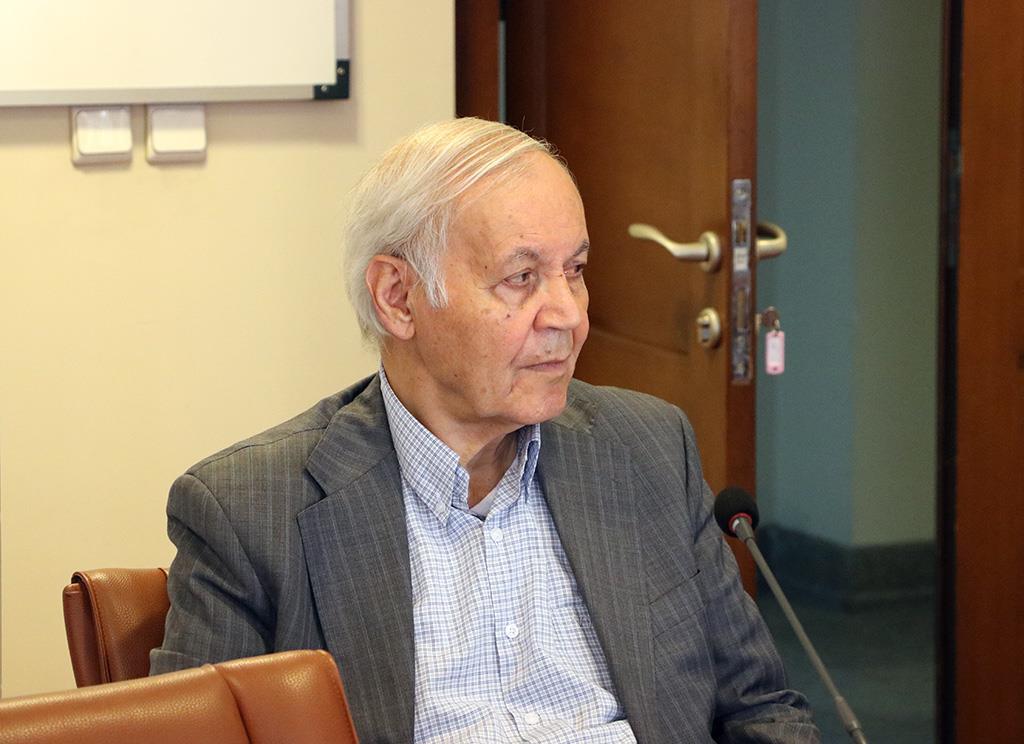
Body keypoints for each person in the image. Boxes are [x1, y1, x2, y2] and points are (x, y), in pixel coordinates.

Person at [151, 117, 820, 743]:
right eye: (521, 278)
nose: (568, 315)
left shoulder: (647, 448)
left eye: (575, 271)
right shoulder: (250, 511)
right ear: (398, 297)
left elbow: (759, 709)